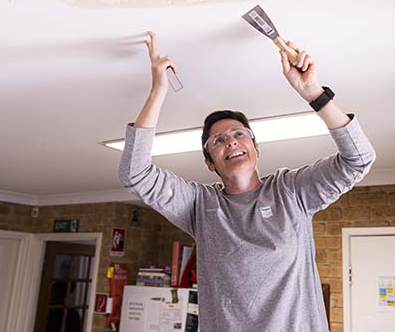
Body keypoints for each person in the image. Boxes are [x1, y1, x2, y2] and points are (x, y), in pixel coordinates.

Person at [118, 31, 376, 331]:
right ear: (209, 163)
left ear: (256, 148)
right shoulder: (200, 205)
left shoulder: (290, 191)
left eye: (240, 134)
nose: (231, 142)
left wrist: (315, 94)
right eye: (218, 140)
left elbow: (359, 159)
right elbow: (134, 173)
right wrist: (157, 91)